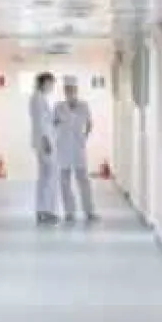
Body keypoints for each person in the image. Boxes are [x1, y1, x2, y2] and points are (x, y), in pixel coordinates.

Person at [55, 75, 98, 222]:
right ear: (64, 91)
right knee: (64, 181)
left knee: (83, 180)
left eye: (72, 89)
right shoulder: (59, 107)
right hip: (63, 147)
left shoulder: (84, 106)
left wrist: (85, 137)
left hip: (78, 147)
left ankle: (89, 211)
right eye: (67, 89)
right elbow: (53, 123)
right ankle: (69, 212)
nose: (69, 92)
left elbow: (90, 123)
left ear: (76, 90)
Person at [29, 72, 59, 224]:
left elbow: (45, 120)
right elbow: (40, 122)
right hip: (44, 142)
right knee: (49, 176)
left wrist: (54, 122)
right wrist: (46, 140)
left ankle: (42, 211)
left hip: (43, 141)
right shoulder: (38, 99)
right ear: (44, 82)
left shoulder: (38, 97)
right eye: (51, 83)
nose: (52, 87)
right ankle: (46, 211)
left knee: (44, 177)